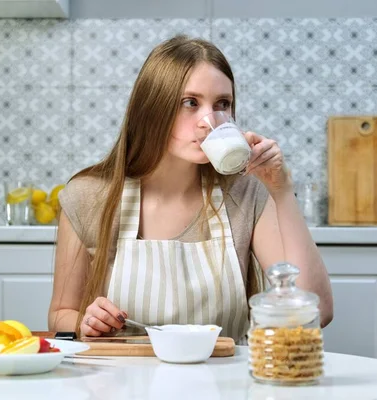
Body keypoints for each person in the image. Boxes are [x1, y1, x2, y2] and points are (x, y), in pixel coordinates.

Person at [48, 34, 333, 342]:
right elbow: (60, 313)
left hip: (225, 386)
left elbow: (316, 311)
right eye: (190, 103)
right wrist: (86, 322)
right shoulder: (89, 196)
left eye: (222, 104)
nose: (207, 120)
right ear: (152, 109)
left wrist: (281, 189)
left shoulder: (245, 193)